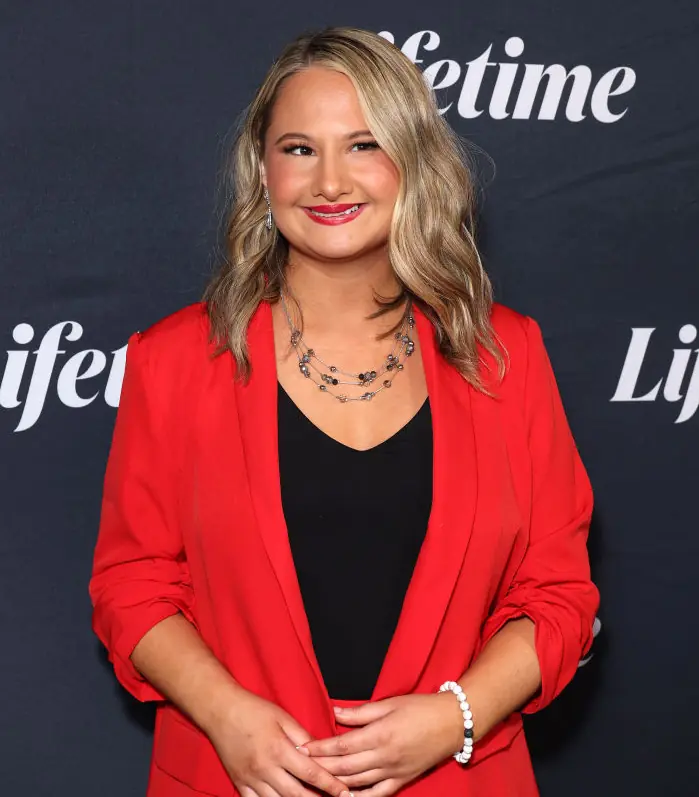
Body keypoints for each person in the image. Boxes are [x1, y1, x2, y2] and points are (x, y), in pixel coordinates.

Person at [89, 26, 599, 797]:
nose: (329, 181)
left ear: (413, 164)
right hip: (236, 780)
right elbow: (132, 582)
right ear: (262, 172)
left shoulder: (505, 355)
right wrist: (226, 715)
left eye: (363, 145)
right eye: (298, 149)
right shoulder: (173, 359)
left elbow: (558, 592)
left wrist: (454, 715)